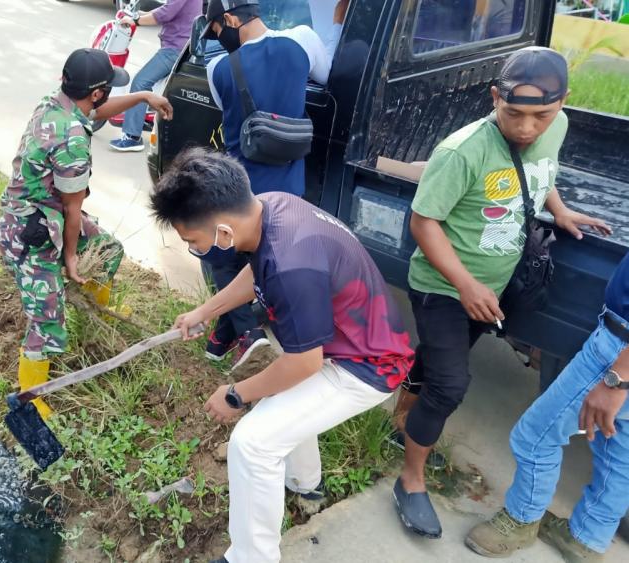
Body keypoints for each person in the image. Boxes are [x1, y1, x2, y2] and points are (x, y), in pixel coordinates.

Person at [151, 147, 415, 563]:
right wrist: (206, 310)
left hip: (366, 367)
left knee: (253, 443)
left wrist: (236, 395)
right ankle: (306, 483)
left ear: (222, 233)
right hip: (342, 341)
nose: (194, 249)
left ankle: (251, 557)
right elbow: (256, 271)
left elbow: (304, 364)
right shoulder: (270, 206)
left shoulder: (292, 266)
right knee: (284, 405)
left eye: (192, 241)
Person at [392, 47, 612, 540]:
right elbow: (423, 222)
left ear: (562, 103)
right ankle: (410, 480)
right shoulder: (462, 151)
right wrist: (465, 284)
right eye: (515, 113)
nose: (529, 128)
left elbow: (540, 172)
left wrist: (560, 209)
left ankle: (404, 409)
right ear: (495, 97)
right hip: (444, 286)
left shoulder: (557, 126)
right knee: (451, 385)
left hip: (492, 285)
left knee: (440, 360)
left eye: (542, 115)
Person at [0, 48, 173, 418]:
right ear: (95, 92)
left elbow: (96, 113)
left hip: (50, 213)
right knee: (46, 315)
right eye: (108, 89)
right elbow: (73, 210)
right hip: (27, 231)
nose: (108, 96)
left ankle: (98, 307)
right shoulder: (72, 140)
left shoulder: (56, 103)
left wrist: (143, 96)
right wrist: (71, 257)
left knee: (108, 249)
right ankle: (31, 396)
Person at [196, 0, 345, 370]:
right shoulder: (303, 41)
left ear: (230, 19)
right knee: (266, 261)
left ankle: (246, 333)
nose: (218, 38)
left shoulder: (219, 68)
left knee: (216, 253)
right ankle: (224, 337)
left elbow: (226, 108)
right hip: (289, 186)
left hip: (241, 186)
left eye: (216, 29)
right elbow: (326, 77)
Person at [464, 251, 629, 562]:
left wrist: (617, 379)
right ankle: (587, 539)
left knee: (534, 436)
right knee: (619, 452)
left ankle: (520, 521)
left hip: (619, 348)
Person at [109, 0, 202, 152]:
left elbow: (166, 13)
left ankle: (132, 137)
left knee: (140, 82)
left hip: (175, 49)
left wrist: (136, 21)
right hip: (179, 46)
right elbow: (168, 9)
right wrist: (140, 15)